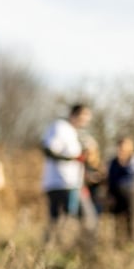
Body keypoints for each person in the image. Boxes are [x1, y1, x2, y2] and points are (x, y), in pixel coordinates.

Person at [40, 103, 92, 242]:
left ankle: (54, 251)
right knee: (84, 219)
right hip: (61, 183)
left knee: (60, 221)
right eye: (83, 116)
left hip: (73, 184)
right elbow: (48, 150)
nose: (86, 120)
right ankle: (54, 251)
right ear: (73, 115)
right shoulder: (60, 127)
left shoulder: (75, 133)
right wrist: (73, 158)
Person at [106, 137, 134, 244]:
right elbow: (111, 178)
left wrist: (122, 161)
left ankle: (132, 242)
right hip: (115, 193)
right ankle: (118, 243)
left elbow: (130, 172)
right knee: (117, 220)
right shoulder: (113, 161)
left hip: (130, 193)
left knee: (131, 220)